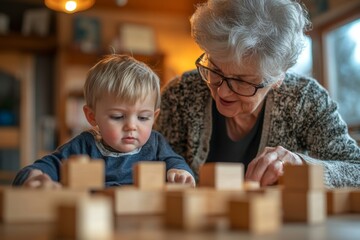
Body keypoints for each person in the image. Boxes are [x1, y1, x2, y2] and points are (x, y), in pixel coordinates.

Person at [155, 0, 360, 188]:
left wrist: (301, 164)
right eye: (215, 69)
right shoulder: (180, 94)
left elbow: (355, 169)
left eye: (242, 81)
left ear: (277, 79)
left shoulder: (304, 99)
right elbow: (144, 163)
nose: (222, 91)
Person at [13, 54, 195, 188]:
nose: (131, 126)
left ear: (154, 117)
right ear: (92, 116)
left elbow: (176, 162)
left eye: (143, 117)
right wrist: (33, 177)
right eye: (117, 116)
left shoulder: (155, 144)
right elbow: (46, 166)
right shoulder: (84, 146)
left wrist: (181, 173)